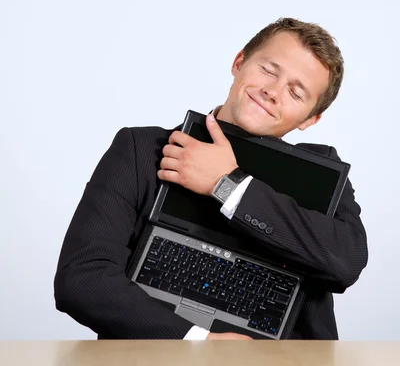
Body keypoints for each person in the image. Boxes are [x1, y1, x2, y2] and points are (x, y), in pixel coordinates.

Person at [54, 17, 368, 340]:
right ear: (239, 62)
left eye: (296, 91)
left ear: (311, 119)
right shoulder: (140, 150)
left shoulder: (324, 175)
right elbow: (81, 277)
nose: (272, 91)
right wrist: (199, 343)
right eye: (268, 70)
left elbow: (345, 262)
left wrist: (228, 185)